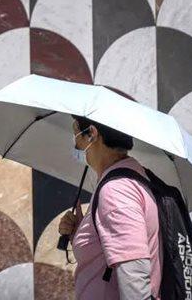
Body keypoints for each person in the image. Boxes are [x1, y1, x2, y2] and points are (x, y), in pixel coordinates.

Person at [58, 116, 162, 300]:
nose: (75, 145)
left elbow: (135, 285)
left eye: (76, 135)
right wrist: (83, 233)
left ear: (92, 134)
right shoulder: (131, 175)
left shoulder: (116, 191)